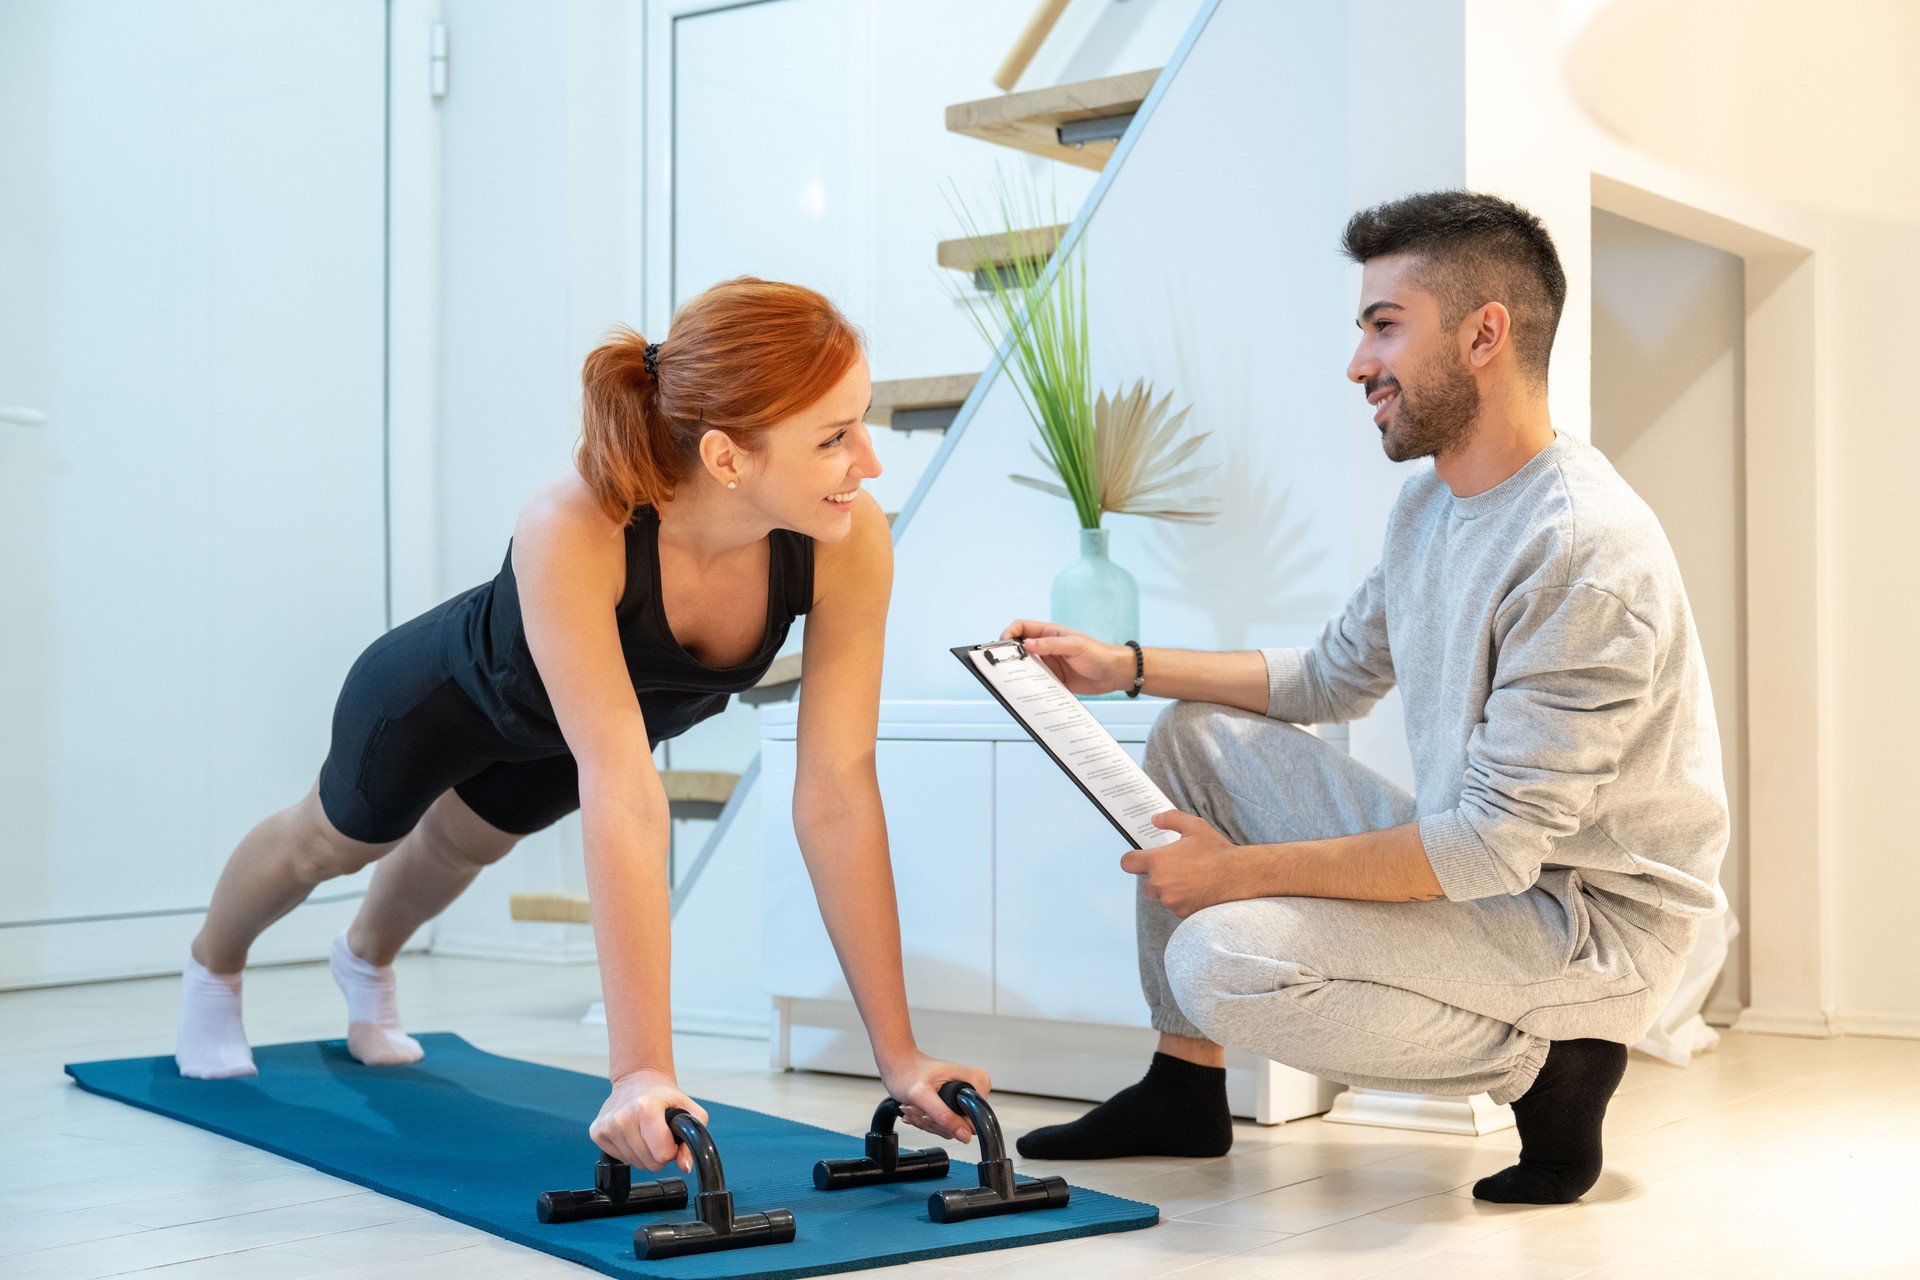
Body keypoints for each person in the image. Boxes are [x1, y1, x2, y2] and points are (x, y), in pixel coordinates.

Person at [1001, 191, 1728, 1205]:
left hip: (1588, 929)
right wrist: (1121, 662)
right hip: (1491, 869)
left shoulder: (1581, 551)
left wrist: (1235, 874)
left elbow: (1490, 847)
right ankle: (1183, 1085)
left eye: (1385, 326)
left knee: (1222, 954)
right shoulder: (1434, 500)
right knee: (1196, 735)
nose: (1358, 364)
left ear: (1485, 333)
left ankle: (1557, 1063)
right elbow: (1333, 674)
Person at [175, 277, 989, 1170]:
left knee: (465, 847)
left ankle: (364, 961)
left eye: (863, 421)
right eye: (835, 438)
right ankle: (213, 964)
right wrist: (640, 1071)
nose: (870, 462)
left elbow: (835, 788)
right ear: (726, 458)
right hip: (444, 697)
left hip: (576, 733)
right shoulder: (577, 522)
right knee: (333, 841)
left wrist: (899, 1055)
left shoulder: (846, 540)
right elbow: (627, 791)